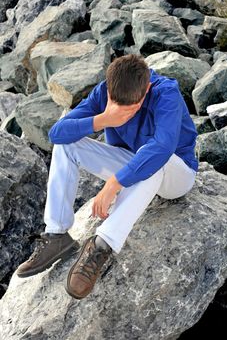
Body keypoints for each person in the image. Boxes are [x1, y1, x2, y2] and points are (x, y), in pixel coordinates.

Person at [16, 54, 198, 299]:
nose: (125, 115)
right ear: (109, 88)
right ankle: (57, 233)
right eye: (117, 105)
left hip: (176, 175)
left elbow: (162, 149)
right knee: (67, 144)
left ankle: (102, 245)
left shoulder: (166, 93)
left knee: (153, 154)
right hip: (134, 167)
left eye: (131, 109)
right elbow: (56, 134)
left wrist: (115, 182)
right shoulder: (103, 92)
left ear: (147, 88)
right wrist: (103, 119)